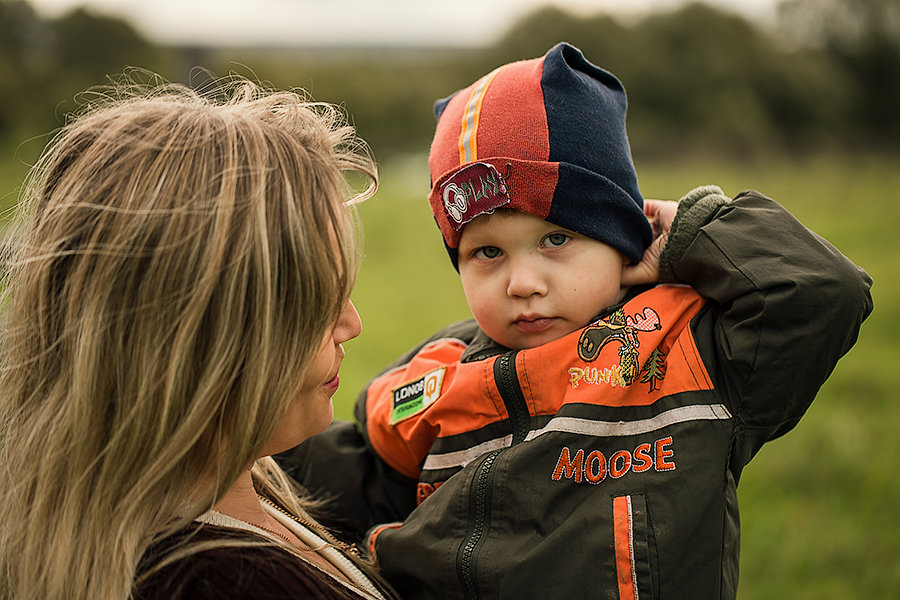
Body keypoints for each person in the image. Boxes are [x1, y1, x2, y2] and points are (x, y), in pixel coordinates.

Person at [280, 42, 874, 599]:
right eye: (486, 252)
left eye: (557, 237)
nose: (523, 282)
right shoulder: (437, 375)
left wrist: (685, 235)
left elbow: (823, 292)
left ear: (622, 236)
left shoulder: (685, 349)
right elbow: (333, 479)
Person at [0, 75, 398, 600]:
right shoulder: (216, 585)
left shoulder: (244, 478)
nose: (352, 324)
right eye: (317, 302)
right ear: (206, 336)